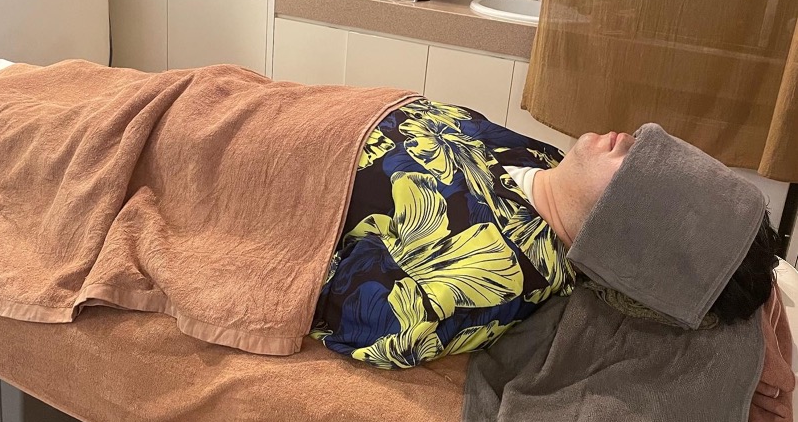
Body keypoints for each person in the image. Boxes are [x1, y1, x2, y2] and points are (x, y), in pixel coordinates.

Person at [311, 100, 780, 368]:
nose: (632, 137)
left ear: (629, 239)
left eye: (644, 168)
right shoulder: (547, 163)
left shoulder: (493, 269)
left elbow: (364, 316)